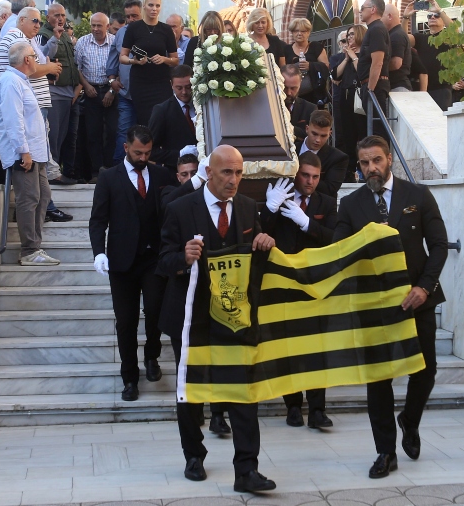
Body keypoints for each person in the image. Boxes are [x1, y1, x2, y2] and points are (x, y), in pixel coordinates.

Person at [157, 145, 277, 493]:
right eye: (227, 172)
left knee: (243, 392)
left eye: (239, 173)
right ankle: (193, 456)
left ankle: (247, 470)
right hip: (191, 319)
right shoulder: (180, 209)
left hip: (234, 317)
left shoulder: (248, 207)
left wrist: (265, 242)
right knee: (192, 393)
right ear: (209, 172)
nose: (234, 180)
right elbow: (162, 261)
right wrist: (183, 257)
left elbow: (254, 260)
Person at [333, 135, 448, 478]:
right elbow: (339, 252)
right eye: (364, 162)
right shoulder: (350, 204)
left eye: (377, 160)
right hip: (375, 305)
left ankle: (409, 420)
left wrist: (424, 287)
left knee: (425, 370)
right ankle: (385, 451)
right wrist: (366, 239)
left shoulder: (418, 196)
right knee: (379, 379)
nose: (371, 168)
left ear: (389, 160)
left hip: (418, 299)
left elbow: (439, 245)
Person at [89, 125, 172, 402]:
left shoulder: (161, 175)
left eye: (147, 153)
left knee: (155, 310)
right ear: (126, 148)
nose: (143, 157)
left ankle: (152, 356)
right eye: (138, 152)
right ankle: (129, 378)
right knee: (125, 322)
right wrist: (98, 252)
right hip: (122, 262)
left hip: (153, 258)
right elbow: (98, 219)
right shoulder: (108, 178)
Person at [260, 152, 337, 429]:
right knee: (287, 348)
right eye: (305, 175)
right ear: (296, 174)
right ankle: (292, 406)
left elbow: (334, 239)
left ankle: (317, 410)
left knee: (316, 350)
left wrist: (307, 223)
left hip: (314, 286)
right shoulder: (281, 198)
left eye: (315, 177)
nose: (310, 182)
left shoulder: (327, 203)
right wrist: (269, 208)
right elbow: (259, 232)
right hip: (283, 285)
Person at [0, 6, 71, 222]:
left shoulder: (29, 39)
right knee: (32, 177)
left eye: (39, 21)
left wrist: (48, 63)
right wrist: (50, 68)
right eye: (35, 21)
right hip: (30, 107)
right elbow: (30, 67)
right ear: (21, 20)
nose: (39, 25)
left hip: (35, 105)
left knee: (41, 167)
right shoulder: (16, 37)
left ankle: (45, 209)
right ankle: (42, 212)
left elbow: (37, 63)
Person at [0, 41, 60, 267]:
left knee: (42, 197)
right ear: (27, 59)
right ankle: (29, 250)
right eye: (34, 55)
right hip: (24, 155)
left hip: (36, 154)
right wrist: (24, 151)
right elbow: (14, 120)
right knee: (29, 198)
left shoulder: (21, 81)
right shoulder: (10, 81)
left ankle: (35, 247)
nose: (37, 59)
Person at [40, 3, 86, 185]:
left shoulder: (65, 35)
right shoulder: (44, 34)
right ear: (47, 17)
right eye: (56, 15)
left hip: (67, 93)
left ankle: (57, 171)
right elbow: (44, 57)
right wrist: (55, 38)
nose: (60, 19)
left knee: (63, 136)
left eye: (63, 15)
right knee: (53, 135)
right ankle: (50, 174)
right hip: (53, 93)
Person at [119, 0, 179, 127]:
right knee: (145, 120)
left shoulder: (166, 30)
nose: (154, 9)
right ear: (144, 6)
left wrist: (164, 59)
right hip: (140, 82)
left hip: (161, 82)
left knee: (162, 120)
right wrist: (134, 61)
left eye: (157, 6)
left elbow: (175, 60)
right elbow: (122, 57)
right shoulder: (133, 28)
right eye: (151, 5)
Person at [75, 12, 117, 180]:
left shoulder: (115, 42)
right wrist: (86, 86)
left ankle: (110, 169)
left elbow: (121, 68)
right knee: (93, 133)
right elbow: (76, 68)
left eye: (99, 25)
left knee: (112, 132)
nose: (96, 29)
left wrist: (112, 91)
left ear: (108, 26)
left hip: (111, 91)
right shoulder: (82, 42)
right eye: (93, 25)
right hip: (91, 92)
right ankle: (95, 171)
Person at [404, 0, 463, 111]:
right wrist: (406, 18)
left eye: (436, 16)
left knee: (440, 119)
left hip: (441, 89)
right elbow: (403, 39)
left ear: (443, 21)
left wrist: (439, 10)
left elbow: (455, 31)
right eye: (429, 16)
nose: (432, 17)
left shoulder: (447, 37)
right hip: (423, 88)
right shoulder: (421, 38)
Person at [106, 0, 143, 164]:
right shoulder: (121, 33)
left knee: (147, 132)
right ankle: (119, 168)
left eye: (135, 16)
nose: (131, 19)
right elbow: (113, 58)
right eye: (128, 16)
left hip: (148, 95)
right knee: (123, 132)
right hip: (126, 94)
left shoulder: (152, 32)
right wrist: (112, 80)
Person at [149, 65, 198, 170]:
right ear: (171, 84)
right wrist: (179, 154)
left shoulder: (202, 105)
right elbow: (151, 151)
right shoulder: (162, 111)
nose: (184, 92)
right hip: (177, 172)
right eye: (179, 88)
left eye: (188, 87)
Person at [331, 25, 365, 176]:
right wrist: (346, 58)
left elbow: (363, 73)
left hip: (359, 97)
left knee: (362, 133)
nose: (349, 38)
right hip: (345, 98)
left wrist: (354, 56)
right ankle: (349, 170)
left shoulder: (365, 54)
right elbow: (335, 76)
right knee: (347, 135)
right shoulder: (344, 56)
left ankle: (362, 168)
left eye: (352, 34)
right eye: (347, 36)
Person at [356, 0, 390, 134]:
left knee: (378, 130)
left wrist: (370, 89)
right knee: (374, 129)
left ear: (373, 9)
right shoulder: (373, 29)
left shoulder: (376, 29)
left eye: (362, 8)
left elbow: (378, 61)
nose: (360, 11)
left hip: (375, 87)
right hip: (372, 85)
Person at [301, 110, 348, 197]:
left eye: (323, 136)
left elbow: (330, 189)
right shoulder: (290, 149)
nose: (318, 140)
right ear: (307, 129)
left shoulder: (338, 158)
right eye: (314, 134)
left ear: (330, 134)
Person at [383, 4, 426, 94]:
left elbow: (396, 63)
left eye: (380, 16)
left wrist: (376, 67)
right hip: (397, 88)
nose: (379, 20)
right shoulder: (395, 34)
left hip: (398, 89)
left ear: (389, 16)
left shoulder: (397, 35)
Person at [284, 17, 329, 103]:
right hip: (291, 95)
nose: (299, 34)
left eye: (303, 31)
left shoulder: (316, 47)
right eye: (296, 31)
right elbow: (282, 69)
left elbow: (326, 67)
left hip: (313, 95)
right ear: (292, 33)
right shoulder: (286, 49)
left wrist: (310, 66)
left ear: (308, 33)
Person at [280, 64, 316, 147]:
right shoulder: (270, 107)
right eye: (285, 87)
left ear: (300, 84)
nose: (288, 93)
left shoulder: (310, 108)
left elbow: (310, 136)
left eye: (293, 88)